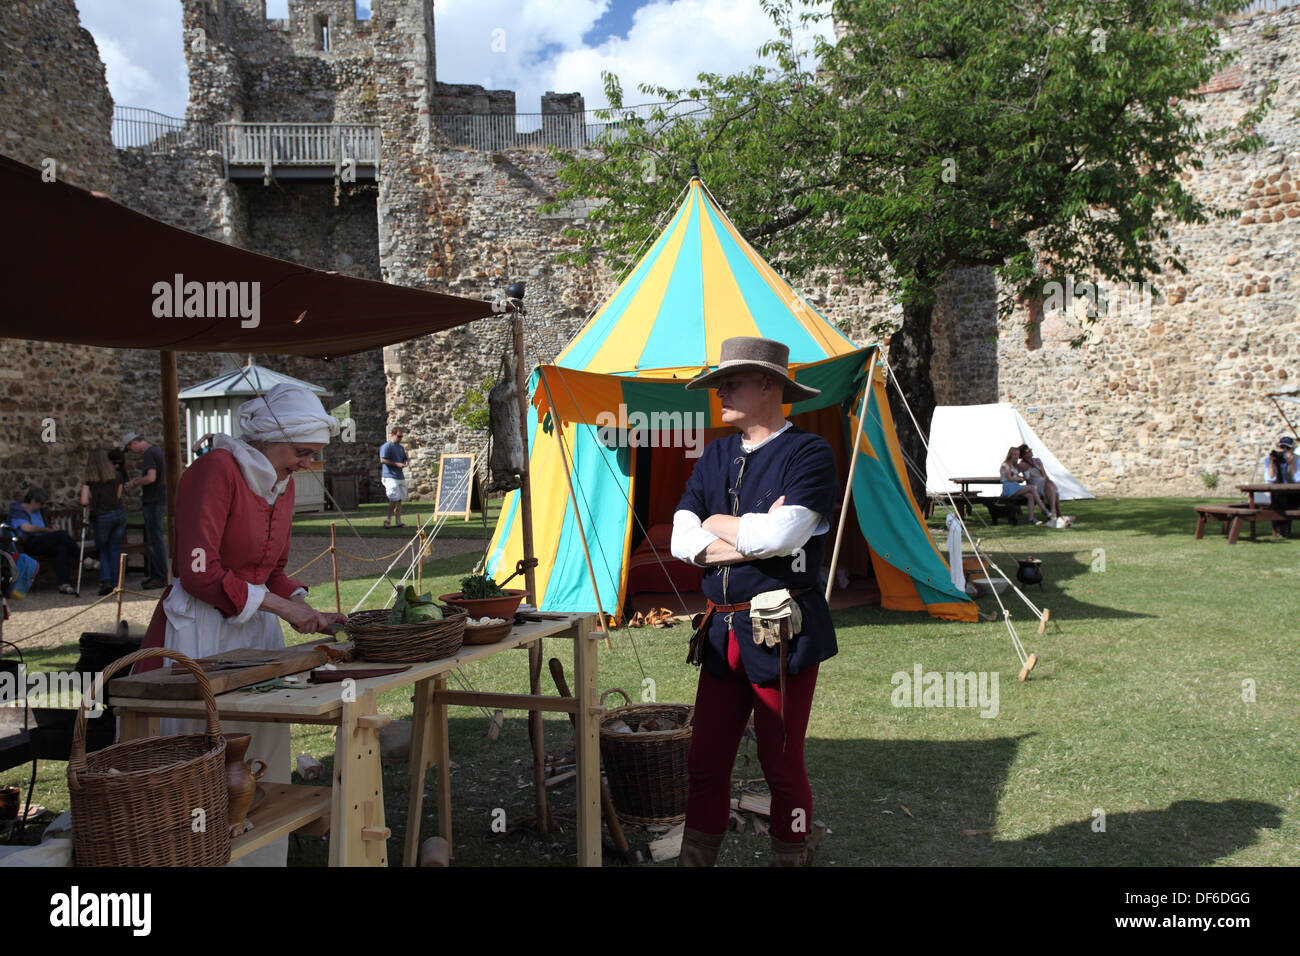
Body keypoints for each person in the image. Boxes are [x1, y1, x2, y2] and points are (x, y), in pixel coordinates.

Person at [135, 382, 347, 867]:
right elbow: (199, 571)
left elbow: (270, 570)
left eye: (313, 455)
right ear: (271, 437)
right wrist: (280, 606)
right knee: (200, 751)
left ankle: (257, 857)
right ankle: (188, 852)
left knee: (260, 745)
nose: (306, 465)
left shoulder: (284, 485)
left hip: (255, 631)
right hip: (200, 629)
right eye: (301, 452)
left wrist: (300, 601)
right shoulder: (215, 471)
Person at [670, 336, 837, 867]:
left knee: (781, 762)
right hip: (720, 633)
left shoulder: (809, 453)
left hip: (780, 633)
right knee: (705, 759)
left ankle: (792, 855)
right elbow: (679, 540)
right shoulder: (715, 453)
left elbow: (783, 538)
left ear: (769, 385)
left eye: (731, 382)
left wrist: (715, 528)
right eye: (719, 383)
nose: (720, 391)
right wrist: (743, 532)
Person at [6, 487, 78, 594]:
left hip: (42, 542)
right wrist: (47, 530)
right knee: (60, 535)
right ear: (33, 501)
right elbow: (27, 528)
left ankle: (64, 583)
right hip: (27, 543)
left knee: (61, 548)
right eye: (40, 503)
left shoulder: (39, 512)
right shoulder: (18, 511)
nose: (41, 506)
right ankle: (82, 558)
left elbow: (45, 525)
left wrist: (52, 528)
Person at [122, 432, 167, 588]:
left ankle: (159, 576)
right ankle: (156, 574)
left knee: (154, 540)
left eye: (129, 448)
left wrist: (135, 483)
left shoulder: (148, 454)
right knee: (154, 538)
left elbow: (150, 477)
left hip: (153, 500)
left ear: (134, 443)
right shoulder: (156, 451)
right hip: (158, 498)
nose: (131, 451)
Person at [80, 448, 126, 596]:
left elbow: (84, 500)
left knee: (104, 550)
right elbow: (119, 496)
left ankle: (106, 580)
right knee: (114, 549)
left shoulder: (90, 480)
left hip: (102, 516)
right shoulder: (117, 476)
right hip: (118, 514)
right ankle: (116, 582)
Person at [1017, 443, 1070, 526]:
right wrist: (1021, 478)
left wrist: (1045, 479)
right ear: (1024, 454)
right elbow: (1016, 473)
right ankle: (1057, 513)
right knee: (1053, 491)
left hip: (1042, 481)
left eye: (1030, 450)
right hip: (1034, 484)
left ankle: (1053, 511)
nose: (1031, 452)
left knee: (1050, 484)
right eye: (1028, 451)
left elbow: (1044, 474)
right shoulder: (1022, 465)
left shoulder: (1037, 460)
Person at [1000, 447, 1047, 525]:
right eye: (1014, 454)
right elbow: (1009, 478)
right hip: (1009, 488)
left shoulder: (1015, 465)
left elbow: (1021, 475)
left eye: (1017, 455)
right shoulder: (1006, 465)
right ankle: (1043, 508)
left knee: (1030, 496)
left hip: (1015, 486)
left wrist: (1024, 477)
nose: (1016, 456)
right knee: (1032, 488)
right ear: (1010, 455)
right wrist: (1019, 478)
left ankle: (1031, 518)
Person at [1265, 434, 1299, 537]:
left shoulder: (1298, 460)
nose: (1284, 450)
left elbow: (1298, 479)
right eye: (1282, 447)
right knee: (1278, 497)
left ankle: (1283, 529)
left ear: (1292, 449)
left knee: (1285, 499)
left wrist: (1291, 463)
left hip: (1295, 493)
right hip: (1278, 493)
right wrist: (1271, 463)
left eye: (1287, 448)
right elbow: (1270, 479)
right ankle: (1280, 529)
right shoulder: (1270, 459)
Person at [379, 427, 410, 528]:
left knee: (400, 499)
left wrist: (405, 462)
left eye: (401, 437)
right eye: (399, 436)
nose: (400, 438)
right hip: (389, 476)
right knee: (393, 498)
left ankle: (398, 521)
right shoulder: (387, 446)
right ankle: (388, 520)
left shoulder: (400, 448)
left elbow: (404, 458)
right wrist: (396, 464)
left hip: (399, 476)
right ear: (392, 435)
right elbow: (383, 460)